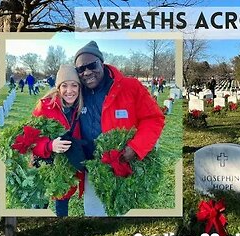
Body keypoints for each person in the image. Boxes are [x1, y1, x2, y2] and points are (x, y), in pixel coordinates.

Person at [74, 40, 165, 216]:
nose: (87, 72)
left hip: (124, 165)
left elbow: (154, 118)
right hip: (92, 167)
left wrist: (136, 148)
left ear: (102, 62)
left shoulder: (130, 86)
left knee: (121, 213)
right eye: (80, 69)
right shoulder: (77, 92)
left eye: (91, 65)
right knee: (94, 213)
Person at [32, 65, 85, 216]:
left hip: (66, 170)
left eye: (74, 85)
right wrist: (50, 145)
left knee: (62, 204)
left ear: (79, 88)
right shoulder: (45, 106)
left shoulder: (81, 108)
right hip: (44, 166)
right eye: (65, 86)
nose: (70, 90)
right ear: (58, 87)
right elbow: (30, 141)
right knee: (40, 203)